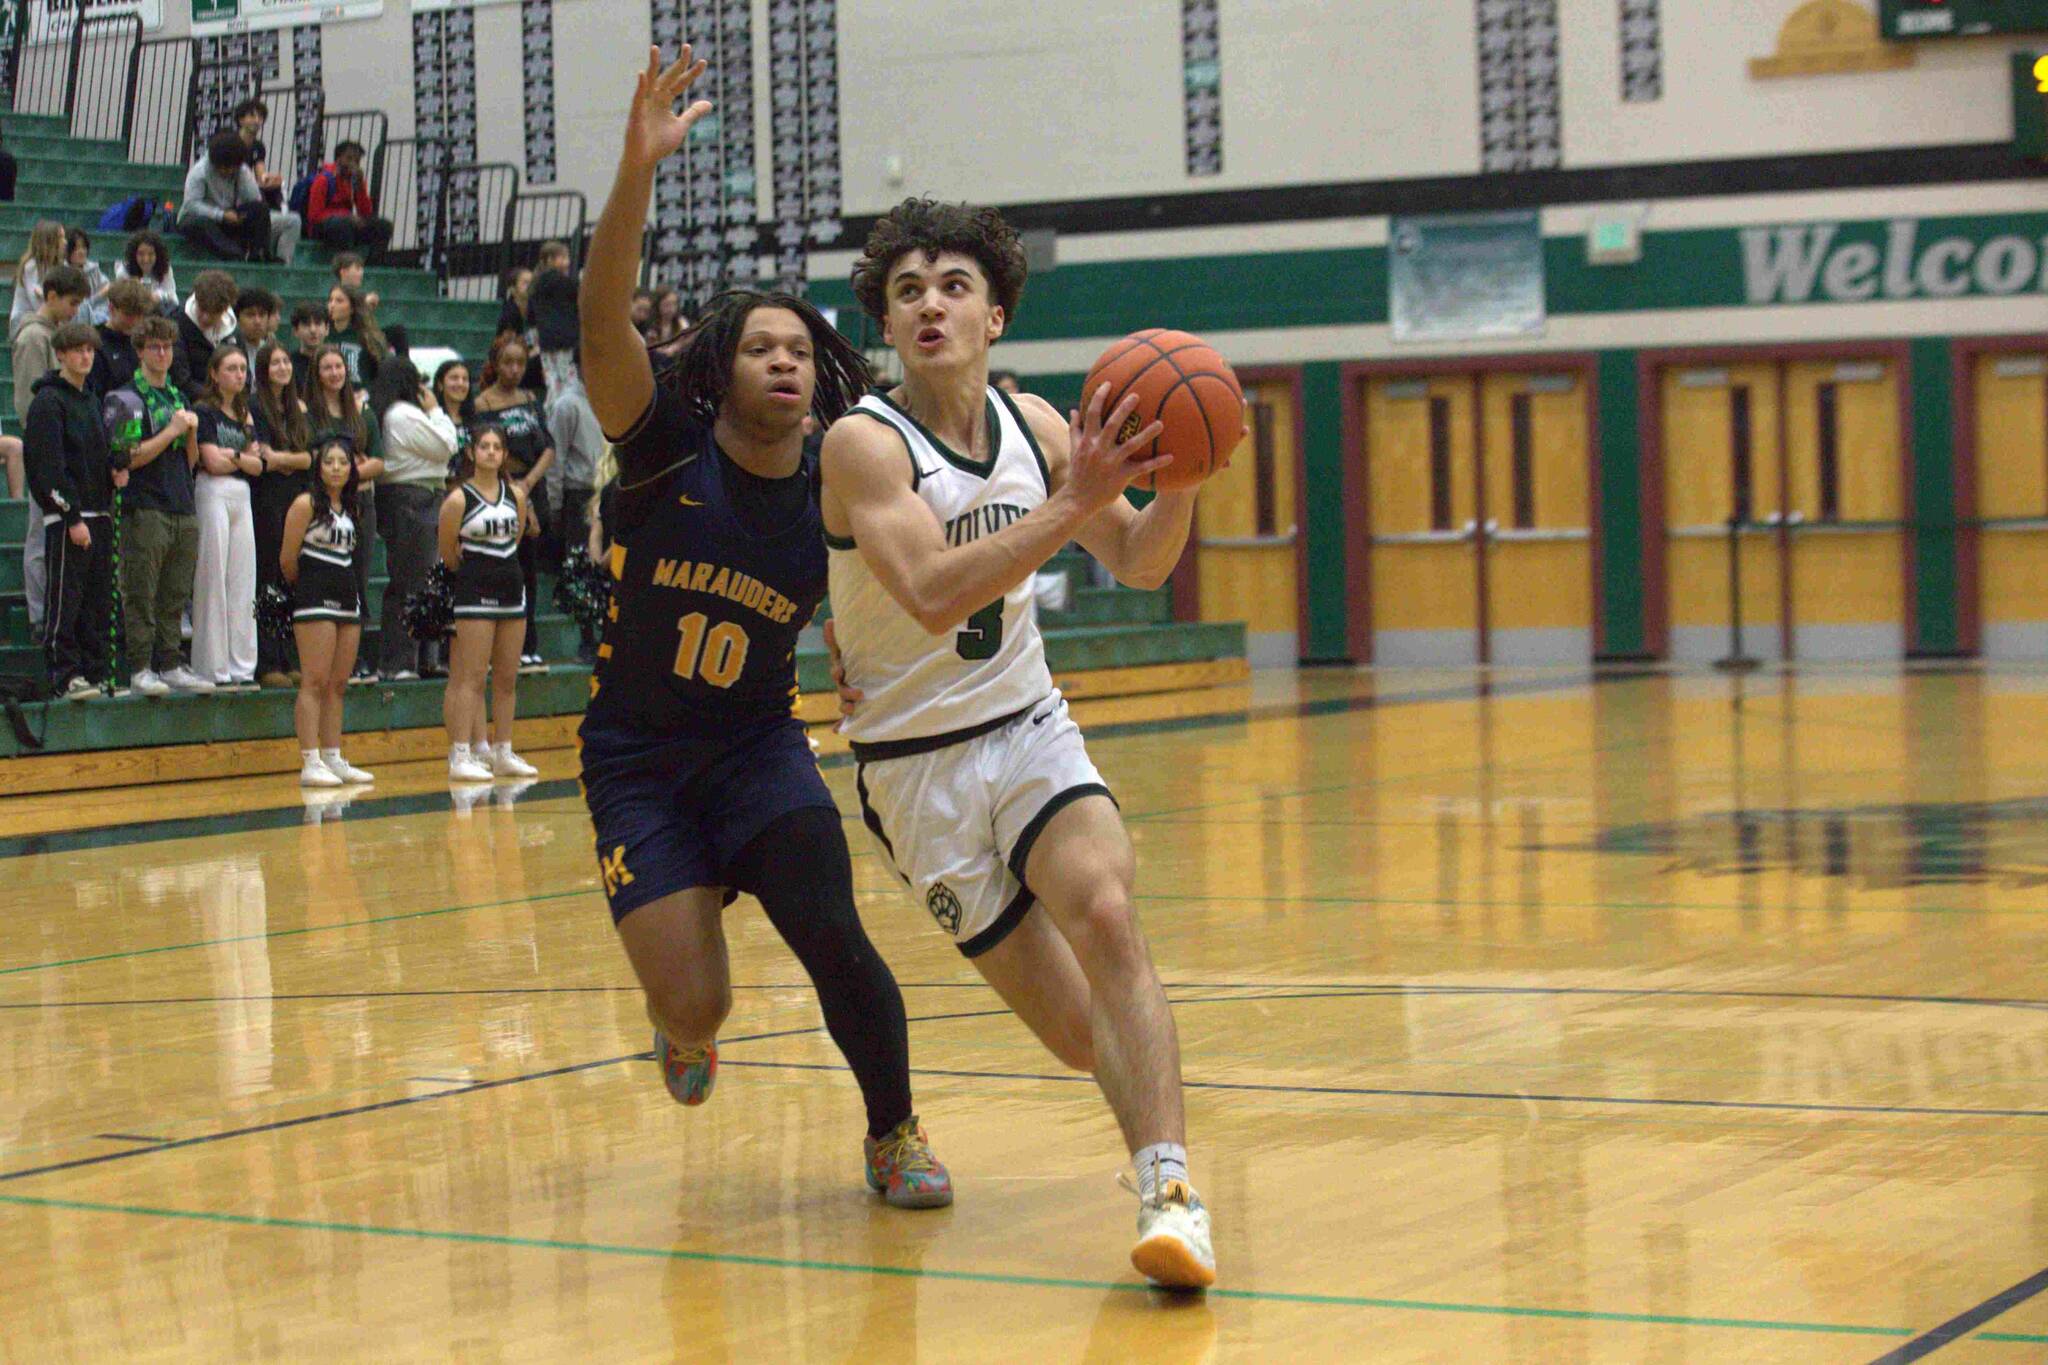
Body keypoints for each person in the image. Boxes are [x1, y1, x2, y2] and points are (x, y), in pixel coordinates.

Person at [575, 46, 950, 1209]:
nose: (784, 359)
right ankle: (678, 1023)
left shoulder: (841, 484)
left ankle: (892, 1134)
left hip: (755, 752)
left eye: (799, 348)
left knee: (835, 934)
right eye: (759, 346)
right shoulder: (658, 451)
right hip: (635, 761)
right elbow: (598, 319)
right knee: (700, 1008)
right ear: (719, 367)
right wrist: (634, 175)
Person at [822, 194, 1217, 1286]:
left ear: (994, 315)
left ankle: (1171, 1193)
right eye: (907, 292)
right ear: (887, 325)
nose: (930, 306)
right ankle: (1150, 1114)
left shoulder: (1041, 427)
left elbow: (1136, 559)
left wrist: (1175, 482)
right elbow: (933, 592)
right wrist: (1074, 500)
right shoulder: (861, 443)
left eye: (953, 287)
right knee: (1079, 1037)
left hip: (1027, 722)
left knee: (1103, 904)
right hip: (915, 771)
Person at [112, 316, 211, 697]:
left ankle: (170, 662)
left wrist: (190, 433)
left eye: (168, 346)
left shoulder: (178, 397)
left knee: (175, 593)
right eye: (154, 346)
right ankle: (140, 666)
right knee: (141, 591)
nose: (162, 353)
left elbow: (190, 461)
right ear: (140, 351)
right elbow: (126, 458)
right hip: (144, 505)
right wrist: (169, 431)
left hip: (182, 503)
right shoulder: (125, 398)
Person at [25, 322, 122, 699]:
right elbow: (47, 467)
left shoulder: (92, 400)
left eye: (90, 350)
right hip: (70, 518)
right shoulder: (48, 402)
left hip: (100, 513)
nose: (85, 356)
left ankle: (94, 672)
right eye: (77, 350)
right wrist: (71, 517)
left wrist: (115, 470)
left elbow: (96, 456)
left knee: (96, 602)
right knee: (66, 599)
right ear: (61, 354)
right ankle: (64, 675)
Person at [438, 424, 534, 781]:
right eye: (484, 446)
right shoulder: (459, 500)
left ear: (504, 454)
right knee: (472, 677)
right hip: (474, 592)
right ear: (471, 453)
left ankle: (503, 750)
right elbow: (448, 552)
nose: (491, 452)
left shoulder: (517, 496)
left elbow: (518, 535)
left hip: (512, 590)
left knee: (507, 678)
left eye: (497, 447)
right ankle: (461, 754)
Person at [281, 437, 373, 786]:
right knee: (314, 681)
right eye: (329, 462)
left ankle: (333, 757)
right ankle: (310, 761)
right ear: (318, 468)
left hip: (347, 595)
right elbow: (288, 560)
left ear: (352, 469)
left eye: (343, 462)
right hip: (314, 595)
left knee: (338, 684)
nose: (336, 468)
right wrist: (307, 588)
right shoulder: (305, 504)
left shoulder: (353, 508)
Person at [369, 356, 458, 681]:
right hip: (412, 498)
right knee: (410, 582)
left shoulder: (394, 413)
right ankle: (399, 663)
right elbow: (448, 445)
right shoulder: (403, 414)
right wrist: (436, 410)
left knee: (422, 581)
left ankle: (422, 659)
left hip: (415, 497)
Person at [470, 332, 554, 673]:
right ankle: (495, 649)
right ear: (495, 364)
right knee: (505, 570)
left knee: (529, 572)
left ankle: (527, 645)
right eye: (508, 362)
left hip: (532, 484)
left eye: (520, 362)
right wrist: (519, 495)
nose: (515, 369)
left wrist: (530, 484)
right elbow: (488, 451)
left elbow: (548, 446)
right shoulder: (484, 404)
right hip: (500, 491)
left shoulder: (531, 398)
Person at [14, 264, 89, 640]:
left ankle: (54, 613)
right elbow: (32, 407)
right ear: (52, 296)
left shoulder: (55, 335)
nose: (76, 310)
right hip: (44, 450)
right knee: (40, 532)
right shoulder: (32, 338)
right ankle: (39, 614)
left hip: (63, 448)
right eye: (72, 303)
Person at [307, 343, 384, 683]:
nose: (335, 373)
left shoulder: (363, 412)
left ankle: (355, 657)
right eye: (327, 367)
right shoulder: (308, 413)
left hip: (361, 505)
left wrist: (346, 472)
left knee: (358, 578)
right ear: (317, 373)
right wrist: (353, 467)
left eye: (339, 367)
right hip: (323, 508)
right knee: (328, 581)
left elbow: (381, 463)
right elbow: (309, 461)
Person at [191, 343, 263, 690]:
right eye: (231, 368)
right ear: (215, 374)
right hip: (212, 491)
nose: (239, 375)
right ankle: (212, 666)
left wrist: (233, 455)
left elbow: (258, 465)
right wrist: (240, 458)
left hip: (240, 494)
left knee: (242, 578)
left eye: (241, 369)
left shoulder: (247, 414)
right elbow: (211, 462)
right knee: (214, 575)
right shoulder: (204, 412)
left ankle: (242, 666)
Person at [250, 339, 315, 687]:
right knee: (269, 578)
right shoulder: (254, 406)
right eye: (275, 363)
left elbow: (310, 457)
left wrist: (284, 460)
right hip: (267, 499)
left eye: (286, 362)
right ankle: (267, 661)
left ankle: (287, 656)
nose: (283, 368)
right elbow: (262, 457)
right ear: (263, 369)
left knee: (292, 576)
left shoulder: (298, 409)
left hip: (296, 497)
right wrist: (289, 460)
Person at [546, 358, 605, 662]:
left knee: (607, 565)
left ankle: (607, 635)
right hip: (579, 492)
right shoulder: (567, 405)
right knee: (582, 564)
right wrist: (554, 503)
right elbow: (555, 456)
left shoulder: (610, 400)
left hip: (607, 491)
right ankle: (586, 639)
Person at [178, 130, 299, 265]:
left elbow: (254, 199)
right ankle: (234, 254)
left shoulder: (241, 171)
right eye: (225, 168)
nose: (228, 172)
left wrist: (245, 182)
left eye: (232, 168)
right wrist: (221, 215)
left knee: (260, 209)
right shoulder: (199, 172)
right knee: (197, 223)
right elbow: (192, 205)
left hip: (231, 216)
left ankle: (259, 253)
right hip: (204, 217)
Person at [304, 140, 393, 261]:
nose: (353, 164)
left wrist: (360, 187)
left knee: (383, 226)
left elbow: (366, 212)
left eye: (356, 160)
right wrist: (346, 217)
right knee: (342, 226)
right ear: (339, 159)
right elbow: (314, 216)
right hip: (324, 227)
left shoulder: (353, 180)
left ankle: (373, 263)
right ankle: (346, 264)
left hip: (347, 222)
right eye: (349, 159)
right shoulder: (323, 179)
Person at [88, 278, 163, 400]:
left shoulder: (143, 341)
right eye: (129, 315)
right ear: (112, 309)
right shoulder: (95, 343)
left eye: (139, 315)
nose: (135, 321)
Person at [530, 240, 579, 404]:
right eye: (563, 258)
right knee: (567, 380)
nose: (567, 262)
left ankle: (552, 410)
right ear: (550, 260)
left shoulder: (537, 283)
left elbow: (531, 315)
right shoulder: (562, 283)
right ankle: (561, 411)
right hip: (564, 339)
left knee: (552, 379)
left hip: (547, 340)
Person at [175, 270, 238, 387]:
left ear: (225, 309)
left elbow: (244, 375)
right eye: (202, 309)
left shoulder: (233, 330)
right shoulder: (177, 324)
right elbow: (181, 379)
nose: (205, 318)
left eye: (213, 313)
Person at [325, 282, 384, 389]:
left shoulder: (366, 337)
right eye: (330, 300)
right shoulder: (323, 335)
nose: (332, 305)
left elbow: (381, 373)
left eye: (339, 301)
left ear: (352, 308)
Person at [230, 97, 285, 210]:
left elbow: (261, 175)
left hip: (248, 186)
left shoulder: (258, 146)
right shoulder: (230, 141)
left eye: (260, 117)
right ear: (241, 120)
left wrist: (270, 180)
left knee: (274, 191)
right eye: (252, 116)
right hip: (230, 187)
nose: (257, 120)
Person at [10, 220, 65, 328]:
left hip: (47, 320)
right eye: (61, 238)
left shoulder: (60, 265)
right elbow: (37, 302)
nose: (65, 242)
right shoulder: (31, 266)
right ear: (49, 241)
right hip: (24, 323)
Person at [116, 230, 179, 315]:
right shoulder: (123, 271)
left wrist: (159, 296)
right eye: (141, 254)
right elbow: (121, 301)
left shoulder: (165, 268)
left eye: (151, 254)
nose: (146, 259)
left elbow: (174, 298)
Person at [66, 229, 111, 327]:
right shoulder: (63, 274)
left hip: (100, 316)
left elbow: (107, 289)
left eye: (83, 247)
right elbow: (79, 305)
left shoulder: (93, 269)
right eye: (76, 249)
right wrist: (100, 295)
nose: (81, 252)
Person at [289, 300, 329, 398]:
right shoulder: (287, 364)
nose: (313, 330)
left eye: (318, 324)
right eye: (306, 325)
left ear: (327, 329)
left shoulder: (336, 364)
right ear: (295, 331)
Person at [229, 287, 282, 360]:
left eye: (262, 314)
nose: (257, 321)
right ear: (237, 319)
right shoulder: (227, 352)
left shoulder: (275, 354)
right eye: (250, 315)